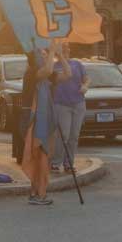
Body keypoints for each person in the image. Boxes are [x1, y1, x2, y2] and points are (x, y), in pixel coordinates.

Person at [23, 41, 64, 206]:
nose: (45, 55)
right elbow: (47, 70)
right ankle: (38, 194)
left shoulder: (46, 77)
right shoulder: (32, 73)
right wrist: (53, 50)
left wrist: (60, 56)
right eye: (42, 54)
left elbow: (68, 74)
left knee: (42, 158)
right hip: (34, 123)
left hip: (44, 122)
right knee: (37, 157)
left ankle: (36, 193)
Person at [49, 42, 87, 172]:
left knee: (74, 136)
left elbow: (86, 79)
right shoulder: (53, 67)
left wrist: (85, 85)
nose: (66, 50)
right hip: (61, 104)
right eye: (62, 48)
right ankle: (55, 162)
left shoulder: (77, 64)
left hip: (78, 103)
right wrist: (58, 55)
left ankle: (69, 164)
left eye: (67, 48)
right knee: (63, 134)